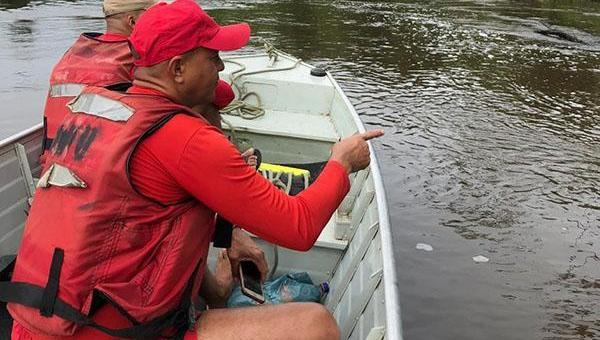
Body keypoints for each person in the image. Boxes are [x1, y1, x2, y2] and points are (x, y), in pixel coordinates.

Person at [2, 0, 384, 339]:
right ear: (178, 68)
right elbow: (299, 227)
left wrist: (224, 240)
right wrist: (340, 163)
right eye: (212, 55)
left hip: (34, 324)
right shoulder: (186, 139)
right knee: (316, 325)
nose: (221, 64)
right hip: (102, 333)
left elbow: (143, 228)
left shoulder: (96, 109)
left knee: (216, 292)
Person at [40, 0, 236, 166]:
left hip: (54, 160)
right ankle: (219, 164)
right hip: (107, 163)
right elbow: (224, 94)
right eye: (151, 16)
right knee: (198, 96)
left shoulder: (75, 52)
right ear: (133, 22)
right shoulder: (134, 58)